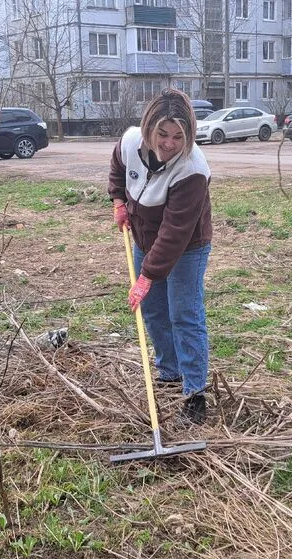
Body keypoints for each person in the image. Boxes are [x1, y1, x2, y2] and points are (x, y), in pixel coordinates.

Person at [107, 89, 213, 424]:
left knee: (184, 314)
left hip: (187, 246)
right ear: (149, 128)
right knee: (153, 310)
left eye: (178, 136)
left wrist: (148, 275)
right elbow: (118, 167)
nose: (168, 143)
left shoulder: (192, 169)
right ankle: (170, 372)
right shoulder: (130, 142)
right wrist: (119, 200)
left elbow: (174, 232)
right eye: (162, 134)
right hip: (144, 238)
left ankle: (195, 393)